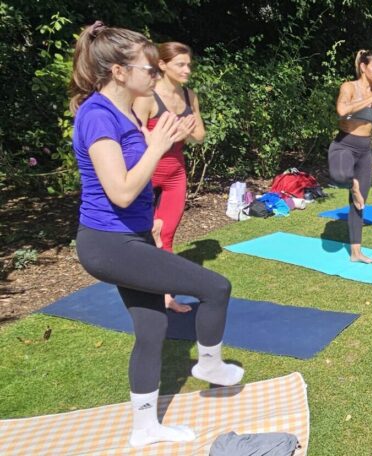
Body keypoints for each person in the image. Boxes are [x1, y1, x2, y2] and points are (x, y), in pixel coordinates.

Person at [69, 22, 244, 448]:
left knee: (151, 331)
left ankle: (145, 428)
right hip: (108, 246)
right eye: (148, 69)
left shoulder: (126, 109)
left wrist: (151, 218)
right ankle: (208, 364)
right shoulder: (97, 116)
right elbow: (122, 190)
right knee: (215, 287)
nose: (154, 76)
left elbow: (134, 186)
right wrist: (158, 146)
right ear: (118, 72)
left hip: (131, 236)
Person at [134, 42, 205, 313]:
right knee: (144, 234)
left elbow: (199, 136)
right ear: (162, 65)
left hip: (176, 172)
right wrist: (167, 134)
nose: (187, 70)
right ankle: (140, 286)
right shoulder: (147, 96)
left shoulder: (190, 96)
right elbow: (135, 133)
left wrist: (181, 132)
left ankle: (165, 296)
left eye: (189, 64)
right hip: (147, 172)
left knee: (167, 234)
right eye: (181, 65)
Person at [328, 50, 372, 263]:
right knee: (340, 177)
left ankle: (356, 253)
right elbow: (341, 110)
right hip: (344, 145)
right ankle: (353, 184)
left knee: (359, 204)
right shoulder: (349, 87)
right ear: (363, 67)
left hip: (365, 150)